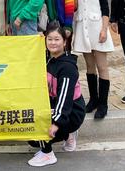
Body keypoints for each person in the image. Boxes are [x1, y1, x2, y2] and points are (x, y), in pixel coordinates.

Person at [27, 22, 86, 167]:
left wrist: (56, 123)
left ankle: (48, 154)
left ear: (65, 42)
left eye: (57, 39)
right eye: (49, 39)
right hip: (56, 105)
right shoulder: (50, 58)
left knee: (35, 130)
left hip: (72, 111)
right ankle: (69, 134)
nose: (53, 43)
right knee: (30, 131)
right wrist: (38, 39)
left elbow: (65, 99)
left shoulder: (67, 68)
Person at [71, 0, 114, 120]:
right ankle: (93, 100)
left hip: (97, 29)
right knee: (89, 67)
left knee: (102, 66)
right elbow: (73, 8)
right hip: (83, 29)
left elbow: (105, 8)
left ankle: (103, 104)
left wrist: (104, 29)